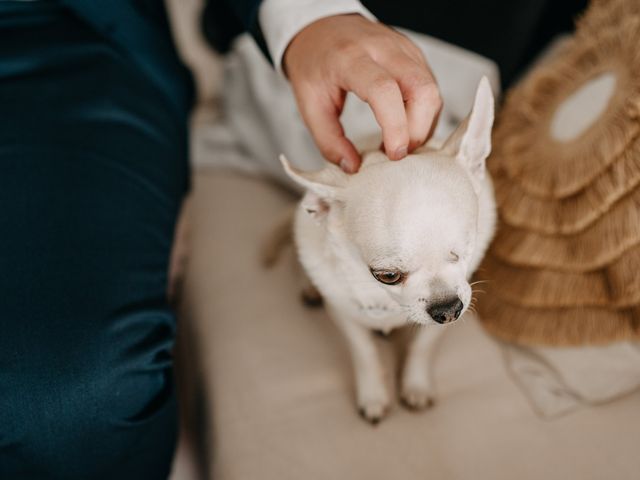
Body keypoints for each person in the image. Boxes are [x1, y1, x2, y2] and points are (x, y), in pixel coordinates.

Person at [0, 0, 585, 478]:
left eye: (457, 254)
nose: (444, 295)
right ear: (320, 208)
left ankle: (410, 353)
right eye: (392, 273)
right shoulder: (333, 214)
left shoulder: (466, 184)